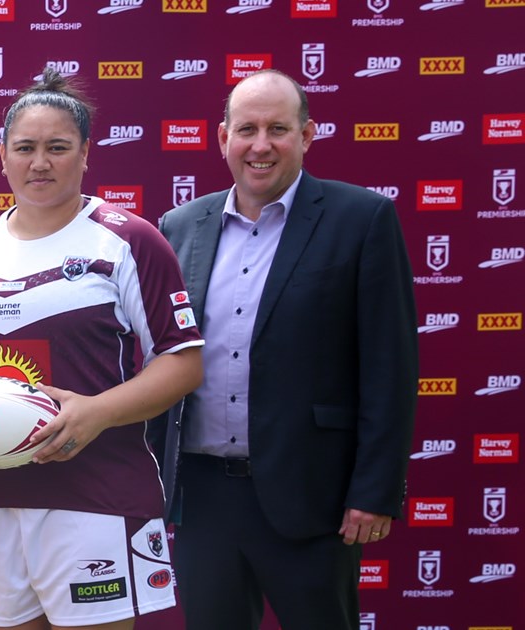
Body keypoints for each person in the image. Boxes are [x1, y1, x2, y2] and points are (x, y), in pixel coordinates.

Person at [0, 69, 204, 630]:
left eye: (57, 147)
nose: (39, 163)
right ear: (2, 157)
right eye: (25, 148)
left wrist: (96, 412)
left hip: (95, 498)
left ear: (86, 154)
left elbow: (183, 362)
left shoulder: (128, 240)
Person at [154, 69, 417, 630]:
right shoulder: (180, 226)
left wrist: (375, 491)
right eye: (246, 129)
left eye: (278, 129)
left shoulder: (361, 220)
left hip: (313, 495)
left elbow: (389, 369)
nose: (261, 145)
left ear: (307, 135)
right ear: (222, 138)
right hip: (203, 497)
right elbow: (162, 360)